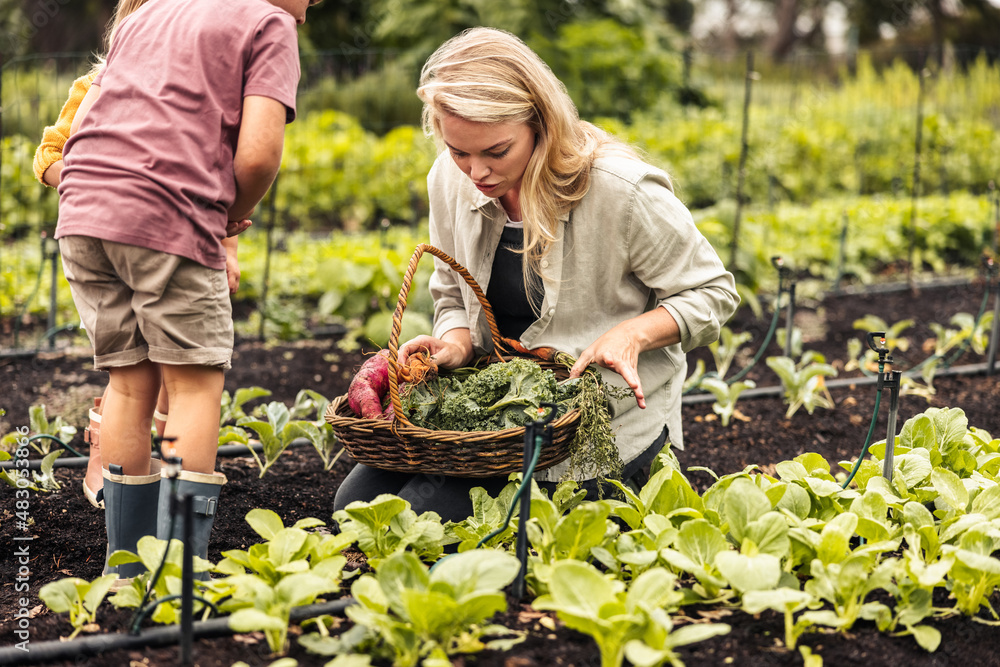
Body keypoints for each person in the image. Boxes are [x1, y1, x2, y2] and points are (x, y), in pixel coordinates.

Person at [333, 27, 740, 523]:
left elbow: (714, 292)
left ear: (539, 124)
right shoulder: (448, 178)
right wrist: (456, 343)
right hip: (497, 416)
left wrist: (632, 333)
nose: (475, 172)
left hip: (595, 422)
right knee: (358, 507)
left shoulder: (620, 191)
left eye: (496, 152)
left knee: (429, 519)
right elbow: (450, 291)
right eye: (459, 150)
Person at [55, 0, 315, 584]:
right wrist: (227, 219)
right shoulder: (267, 23)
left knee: (129, 381)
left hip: (83, 212)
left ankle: (126, 571)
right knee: (196, 386)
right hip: (165, 217)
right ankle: (177, 578)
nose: (308, 11)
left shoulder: (150, 10)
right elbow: (258, 155)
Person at [33, 0, 250, 511]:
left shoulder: (195, 89)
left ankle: (151, 506)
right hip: (127, 234)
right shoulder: (97, 85)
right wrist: (103, 178)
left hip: (158, 236)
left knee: (164, 379)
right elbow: (48, 155)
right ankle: (131, 497)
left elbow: (222, 172)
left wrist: (229, 247)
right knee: (149, 376)